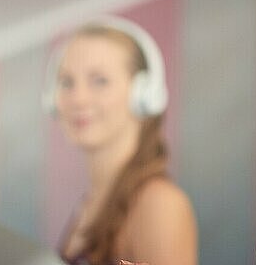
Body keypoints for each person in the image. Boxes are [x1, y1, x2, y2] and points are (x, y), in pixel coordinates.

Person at [43, 16, 198, 265]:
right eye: (66, 82)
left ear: (143, 94)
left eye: (99, 81)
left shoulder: (159, 204)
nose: (78, 98)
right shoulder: (85, 210)